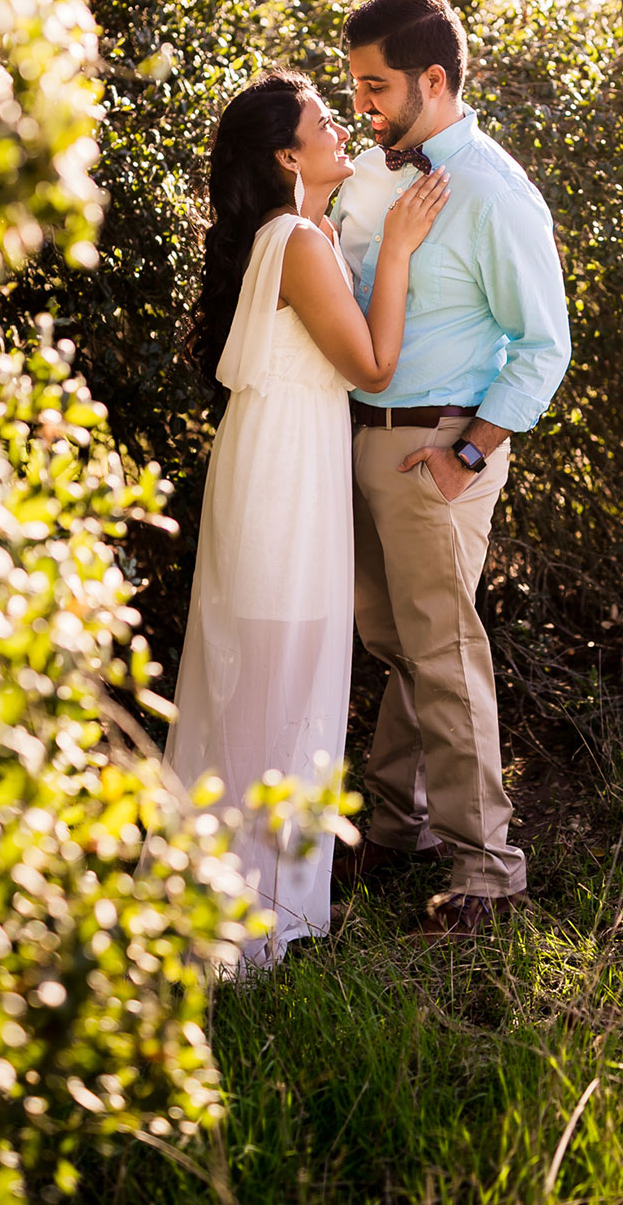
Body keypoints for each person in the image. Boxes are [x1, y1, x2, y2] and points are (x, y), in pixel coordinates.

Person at [168, 69, 448, 966]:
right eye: (322, 122)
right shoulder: (295, 238)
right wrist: (399, 249)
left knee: (268, 676)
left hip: (284, 465)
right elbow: (372, 367)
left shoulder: (301, 234)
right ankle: (245, 927)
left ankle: (243, 901)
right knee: (275, 676)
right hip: (283, 482)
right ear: (289, 156)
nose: (341, 127)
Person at [326, 0, 572, 937]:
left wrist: (469, 449)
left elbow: (542, 343)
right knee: (394, 641)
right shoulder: (382, 175)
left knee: (440, 647)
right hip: (361, 435)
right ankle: (398, 825)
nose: (363, 106)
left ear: (434, 80)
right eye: (354, 85)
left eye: (376, 85)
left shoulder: (492, 189)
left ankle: (486, 868)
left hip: (439, 444)